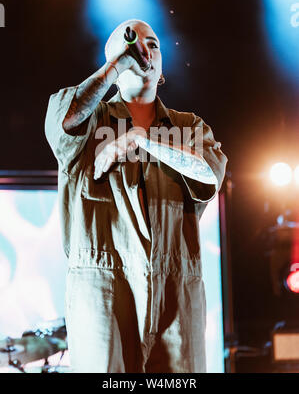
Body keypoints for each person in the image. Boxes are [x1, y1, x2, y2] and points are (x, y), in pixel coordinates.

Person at [44, 19, 228, 373]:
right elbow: (62, 123)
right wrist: (117, 66)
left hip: (176, 287)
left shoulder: (188, 126)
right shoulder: (89, 122)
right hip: (103, 289)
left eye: (153, 44)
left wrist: (141, 140)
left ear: (161, 69)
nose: (144, 49)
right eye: (131, 42)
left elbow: (209, 173)